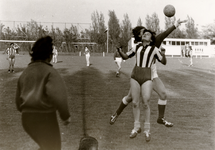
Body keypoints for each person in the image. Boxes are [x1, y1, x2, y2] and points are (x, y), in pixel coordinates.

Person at [110, 20, 187, 139]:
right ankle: (116, 114)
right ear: (140, 36)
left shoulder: (154, 41)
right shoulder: (138, 46)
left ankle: (160, 118)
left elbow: (165, 33)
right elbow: (128, 55)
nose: (145, 32)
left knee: (163, 94)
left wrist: (176, 24)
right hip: (140, 74)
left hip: (152, 74)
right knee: (131, 98)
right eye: (143, 32)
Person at [15, 36, 71, 150]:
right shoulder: (50, 72)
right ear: (50, 56)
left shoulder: (25, 73)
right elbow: (60, 96)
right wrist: (65, 116)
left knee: (45, 146)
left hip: (26, 119)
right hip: (45, 118)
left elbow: (18, 102)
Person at [116, 28, 167, 142]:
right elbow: (125, 57)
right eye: (144, 34)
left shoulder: (154, 49)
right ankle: (136, 127)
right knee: (134, 103)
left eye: (148, 34)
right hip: (135, 75)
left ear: (151, 39)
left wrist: (163, 55)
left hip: (147, 75)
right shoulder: (137, 47)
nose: (145, 35)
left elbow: (163, 62)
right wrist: (119, 50)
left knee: (146, 102)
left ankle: (147, 130)